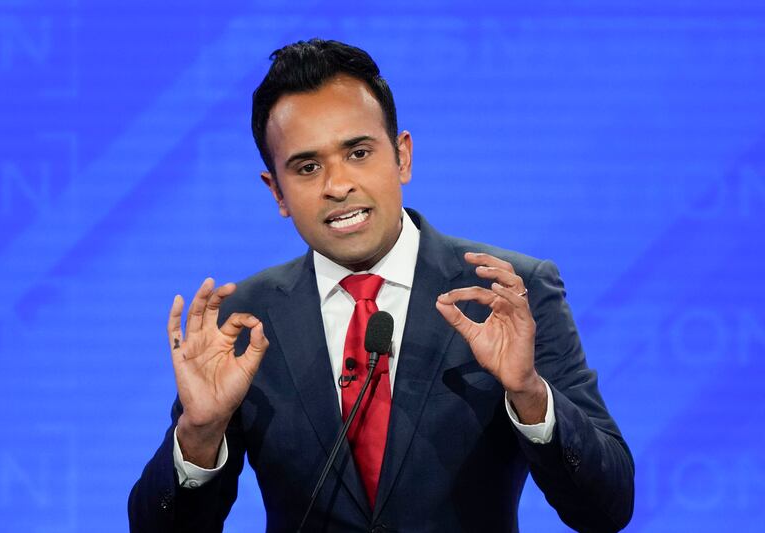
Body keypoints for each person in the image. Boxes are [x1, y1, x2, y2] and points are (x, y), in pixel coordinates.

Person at [128, 39, 634, 533]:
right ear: (277, 191)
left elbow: (606, 510)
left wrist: (529, 394)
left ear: (403, 156)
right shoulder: (243, 321)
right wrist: (198, 433)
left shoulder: (507, 293)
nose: (337, 184)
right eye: (307, 167)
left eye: (358, 152)